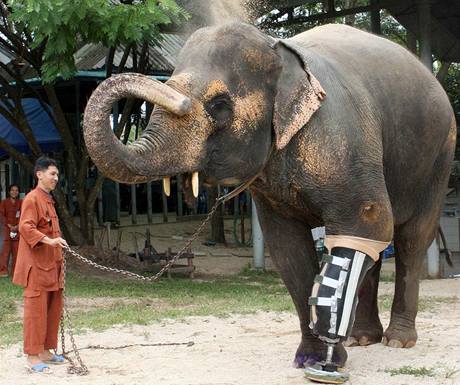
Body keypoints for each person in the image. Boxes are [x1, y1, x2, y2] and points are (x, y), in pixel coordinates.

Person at [13, 156, 68, 374]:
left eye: (56, 174)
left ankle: (45, 350)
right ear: (39, 174)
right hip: (36, 268)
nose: (56, 178)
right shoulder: (32, 199)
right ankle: (33, 356)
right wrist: (49, 241)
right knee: (35, 312)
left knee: (51, 310)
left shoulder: (48, 199)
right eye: (52, 174)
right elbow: (25, 228)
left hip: (52, 266)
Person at [0, 184, 22, 277]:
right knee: (5, 251)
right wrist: (9, 225)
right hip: (6, 230)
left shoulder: (21, 202)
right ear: (9, 192)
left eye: (16, 190)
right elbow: (1, 215)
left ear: (18, 192)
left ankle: (15, 272)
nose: (14, 192)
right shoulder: (4, 202)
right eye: (12, 190)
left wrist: (17, 226)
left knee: (16, 251)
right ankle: (3, 271)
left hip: (17, 229)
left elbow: (24, 215)